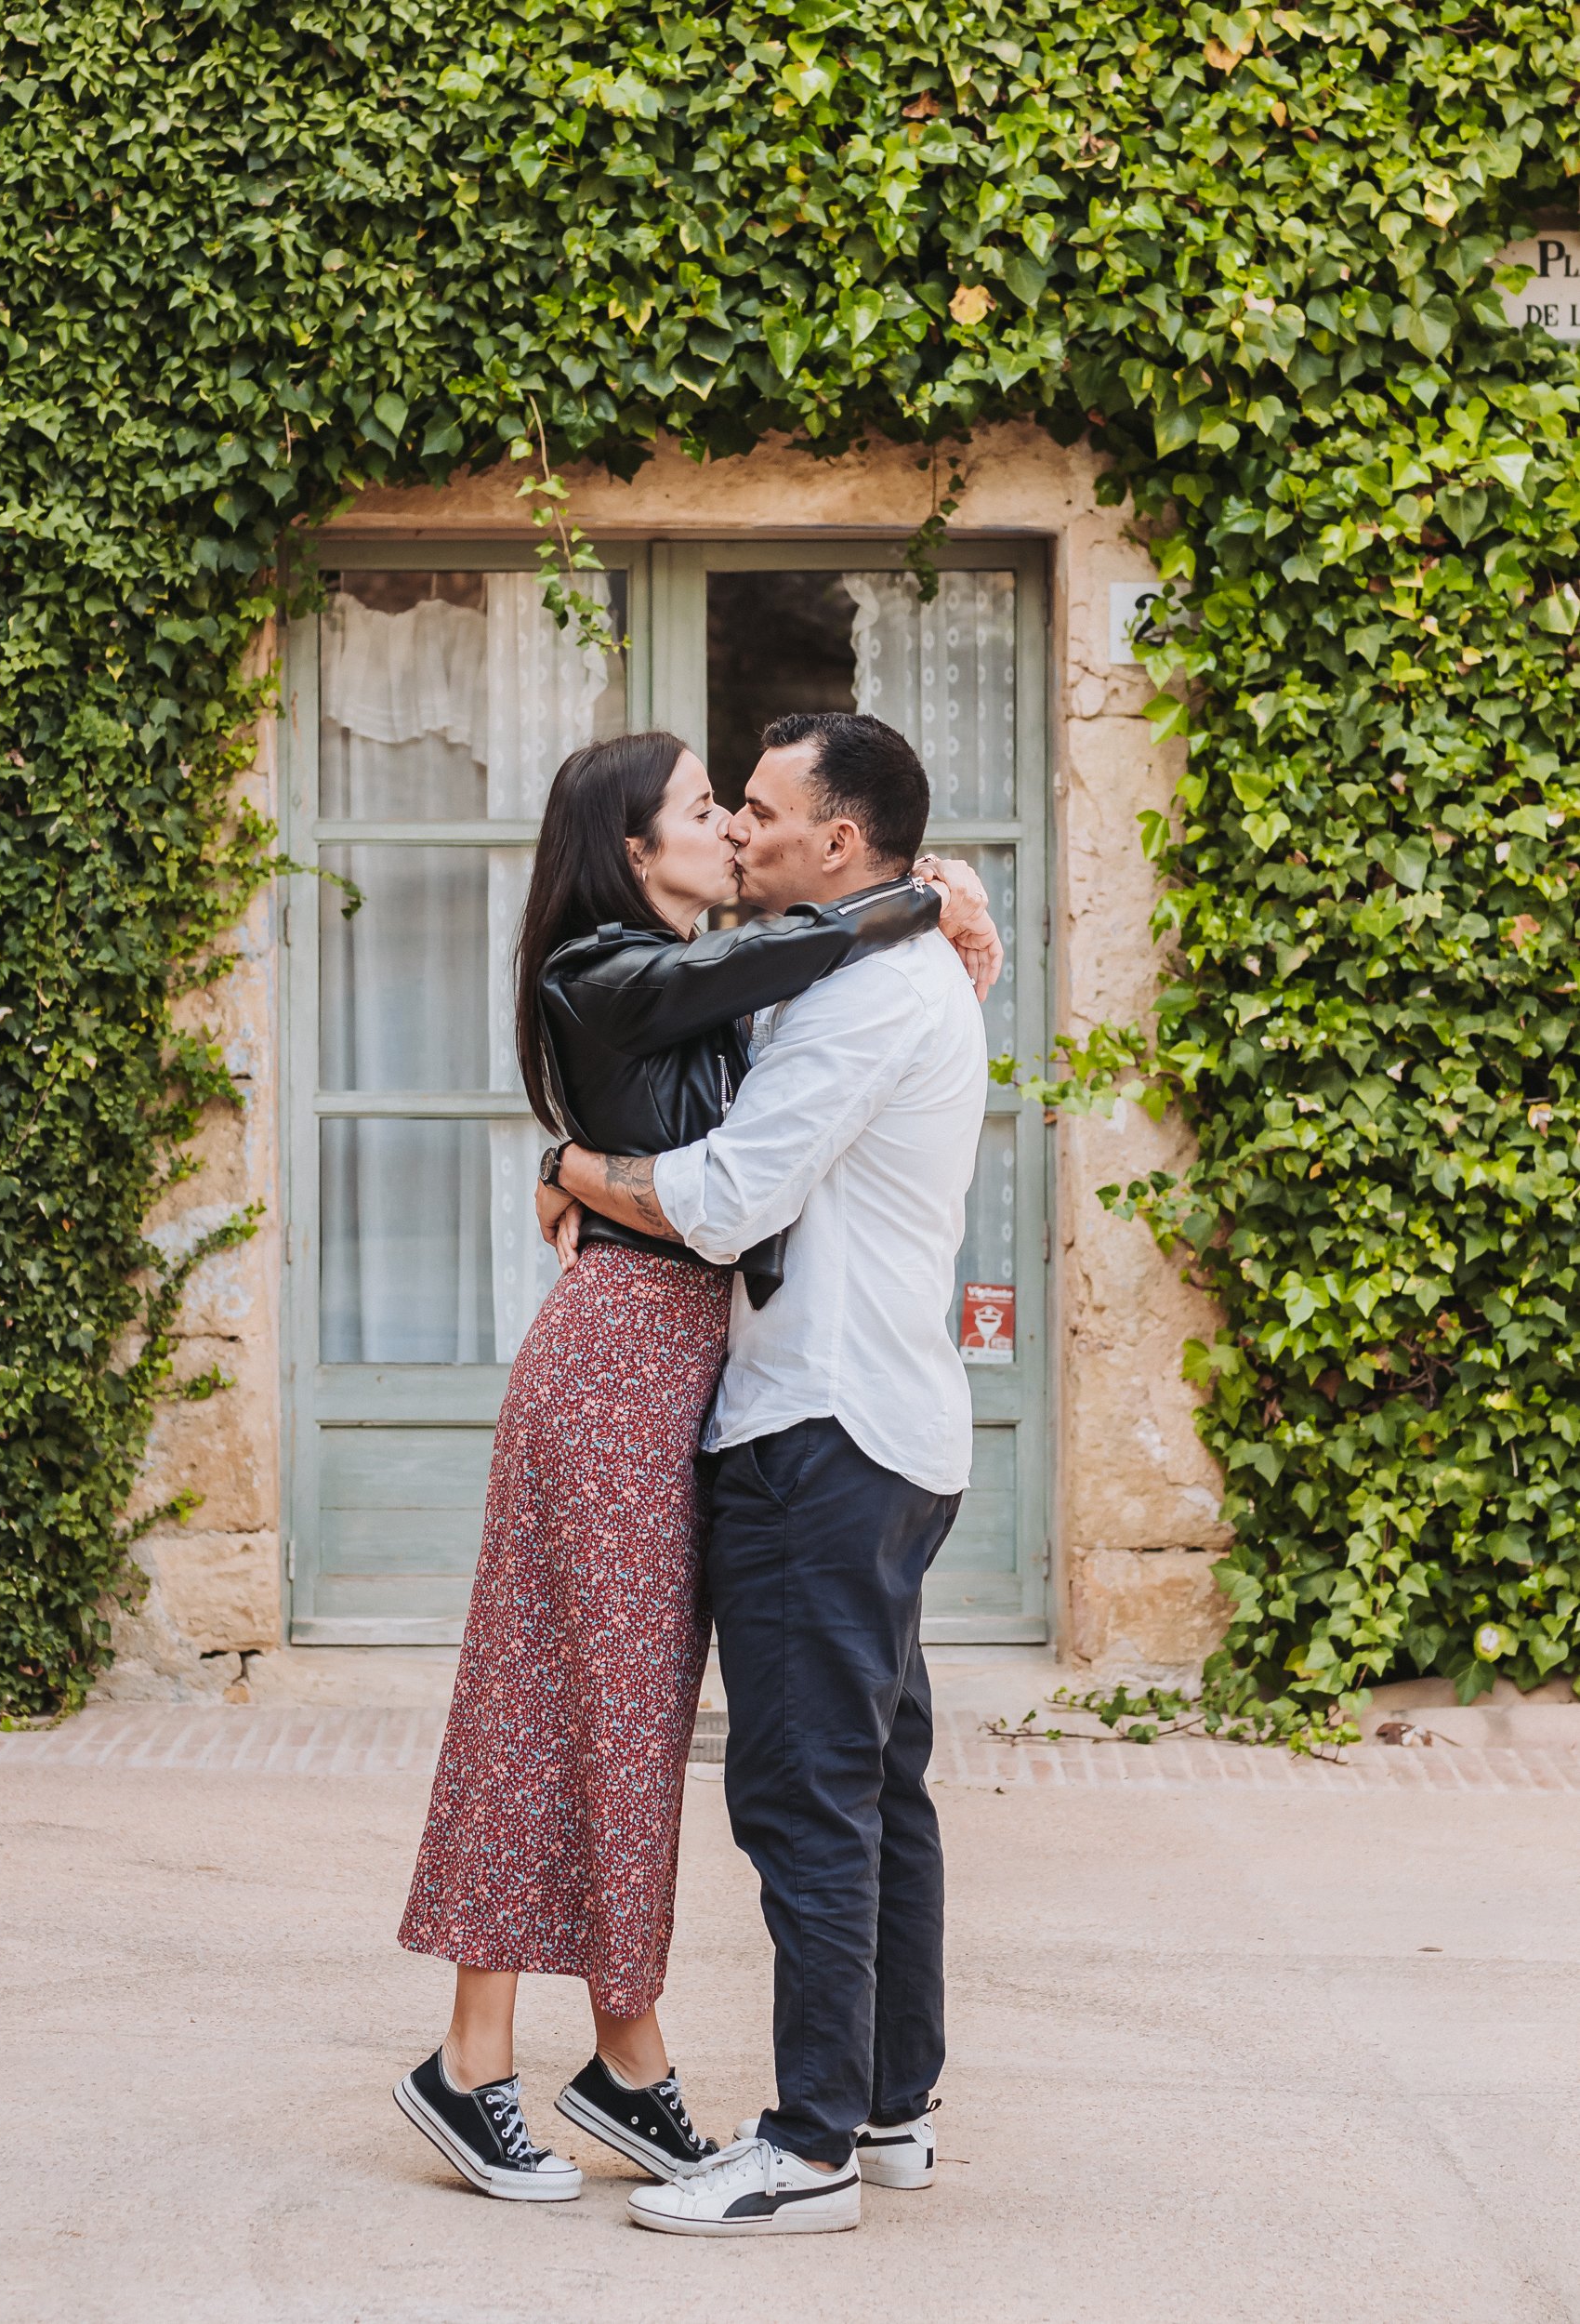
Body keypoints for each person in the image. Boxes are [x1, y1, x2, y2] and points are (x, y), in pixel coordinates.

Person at [393, 727, 999, 2204]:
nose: (734, 827)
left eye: (753, 808)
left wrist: (937, 891)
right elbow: (729, 1134)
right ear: (631, 849)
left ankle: (666, 2069)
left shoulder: (786, 975)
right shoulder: (609, 967)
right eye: (703, 809)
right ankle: (493, 2058)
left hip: (732, 1382)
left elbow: (747, 1156)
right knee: (563, 1704)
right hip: (624, 1363)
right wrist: (922, 896)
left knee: (658, 1728)